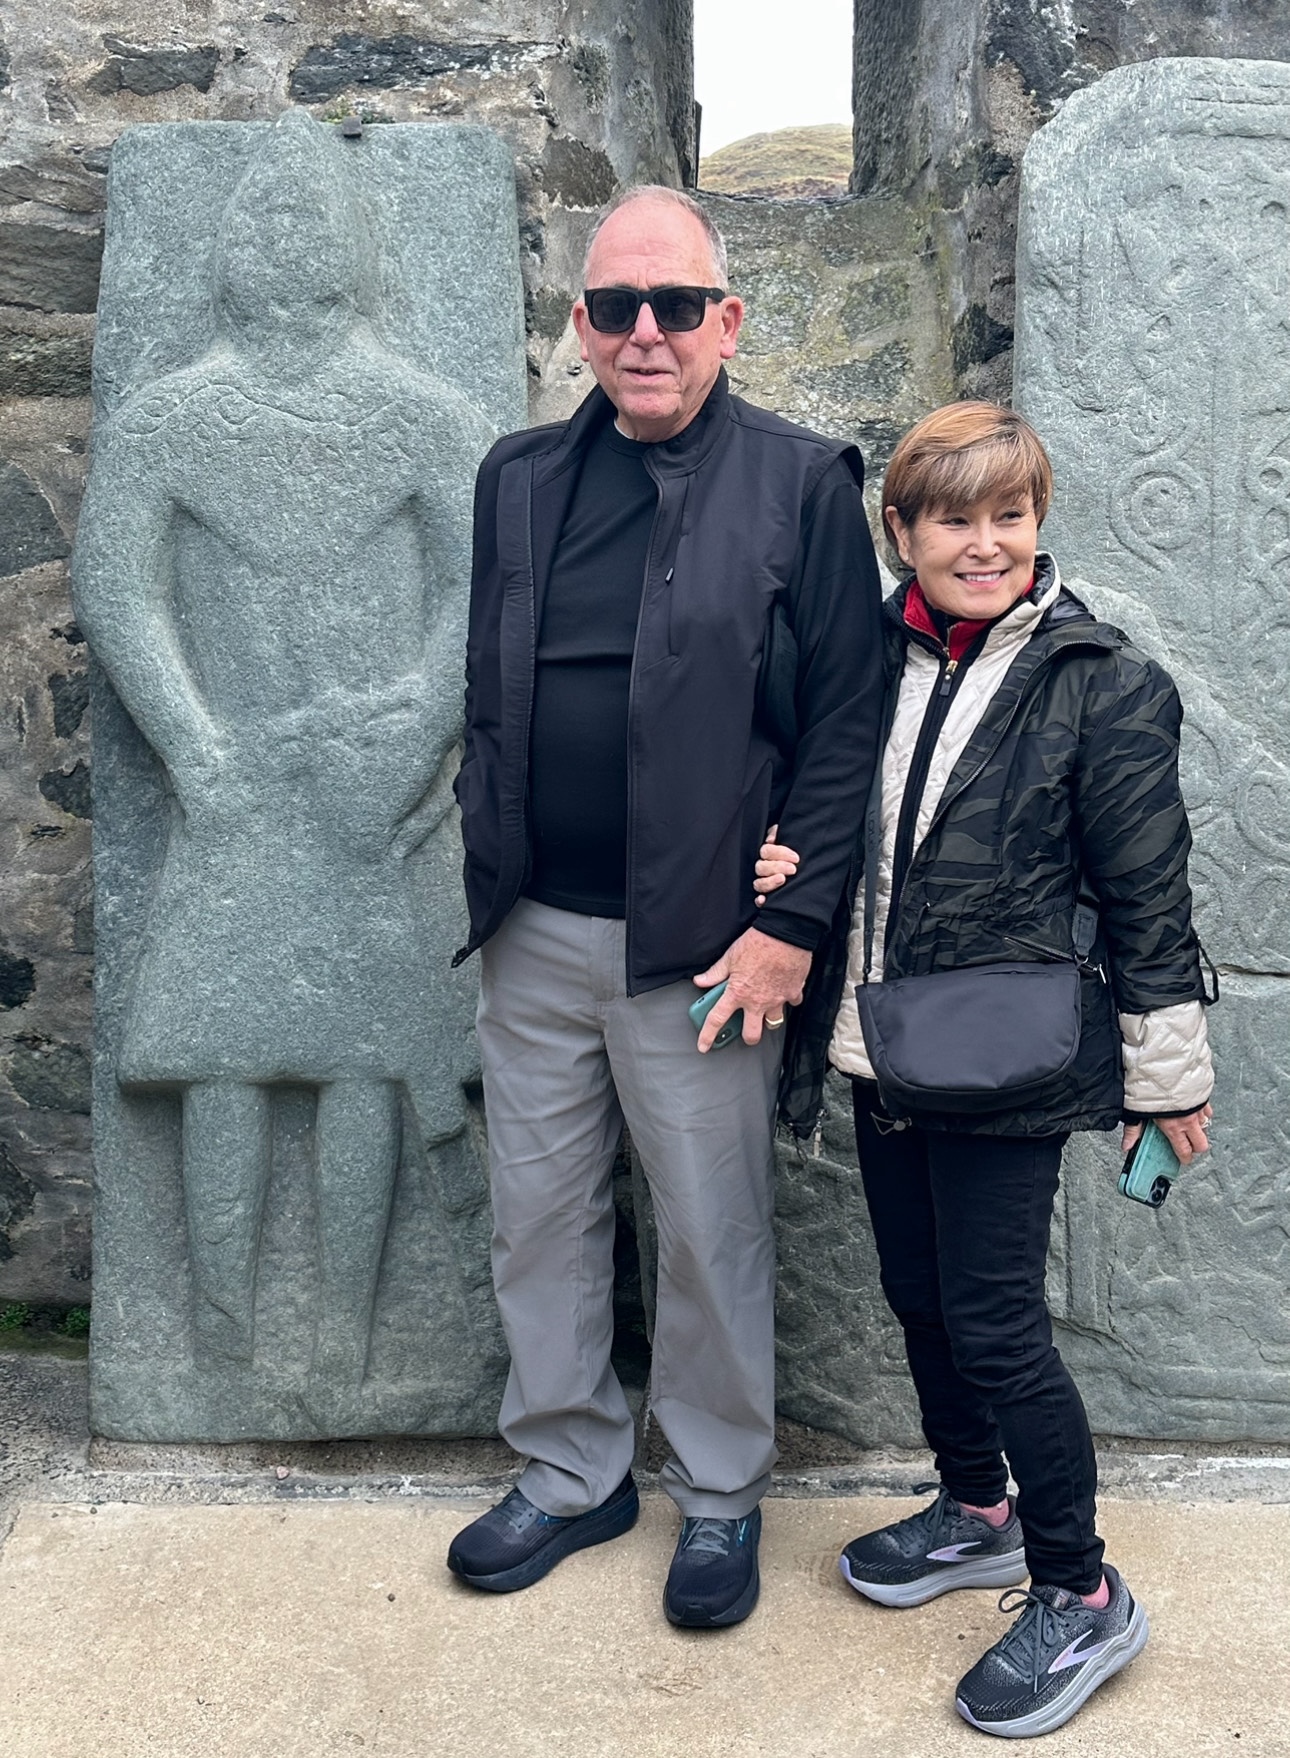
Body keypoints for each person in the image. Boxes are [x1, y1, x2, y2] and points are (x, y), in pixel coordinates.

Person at [445, 185, 883, 1627]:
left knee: (706, 1226)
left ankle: (716, 1490)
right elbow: (490, 682)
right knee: (538, 1213)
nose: (646, 334)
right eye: (616, 307)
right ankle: (571, 1469)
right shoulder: (513, 478)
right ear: (579, 324)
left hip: (703, 939)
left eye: (675, 306)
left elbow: (844, 720)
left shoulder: (800, 479)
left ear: (725, 320)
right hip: (532, 926)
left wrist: (793, 917)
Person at [759, 402, 1213, 1733]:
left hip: (1007, 1059)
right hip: (877, 1042)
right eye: (952, 515)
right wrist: (781, 866)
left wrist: (1166, 1074)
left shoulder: (1100, 680)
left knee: (1000, 1323)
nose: (983, 540)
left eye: (1007, 513)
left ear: (1035, 522)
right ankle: (975, 1505)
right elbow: (833, 821)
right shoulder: (864, 666)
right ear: (900, 531)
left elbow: (1149, 896)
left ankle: (1078, 1591)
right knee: (918, 1295)